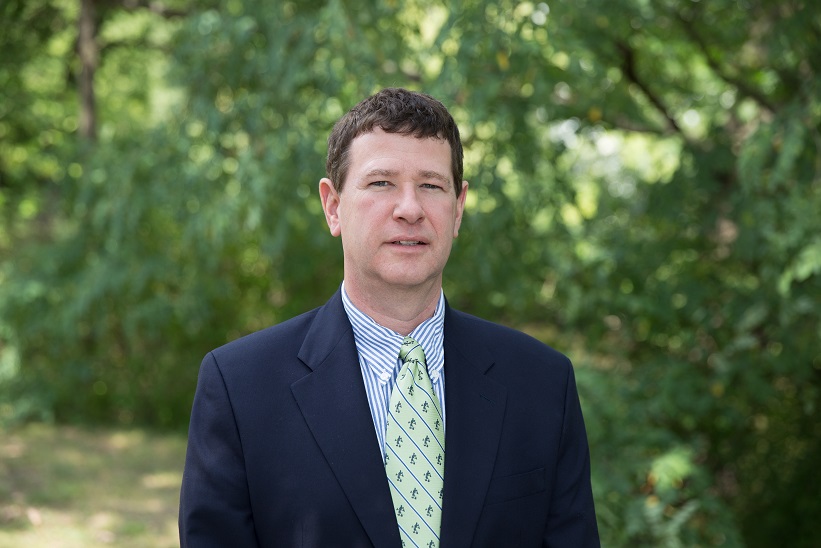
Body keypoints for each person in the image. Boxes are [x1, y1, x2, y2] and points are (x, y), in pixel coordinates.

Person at [179, 87, 600, 547]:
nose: (410, 209)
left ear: (458, 208)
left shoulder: (541, 383)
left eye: (431, 185)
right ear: (333, 206)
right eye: (381, 183)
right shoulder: (239, 387)